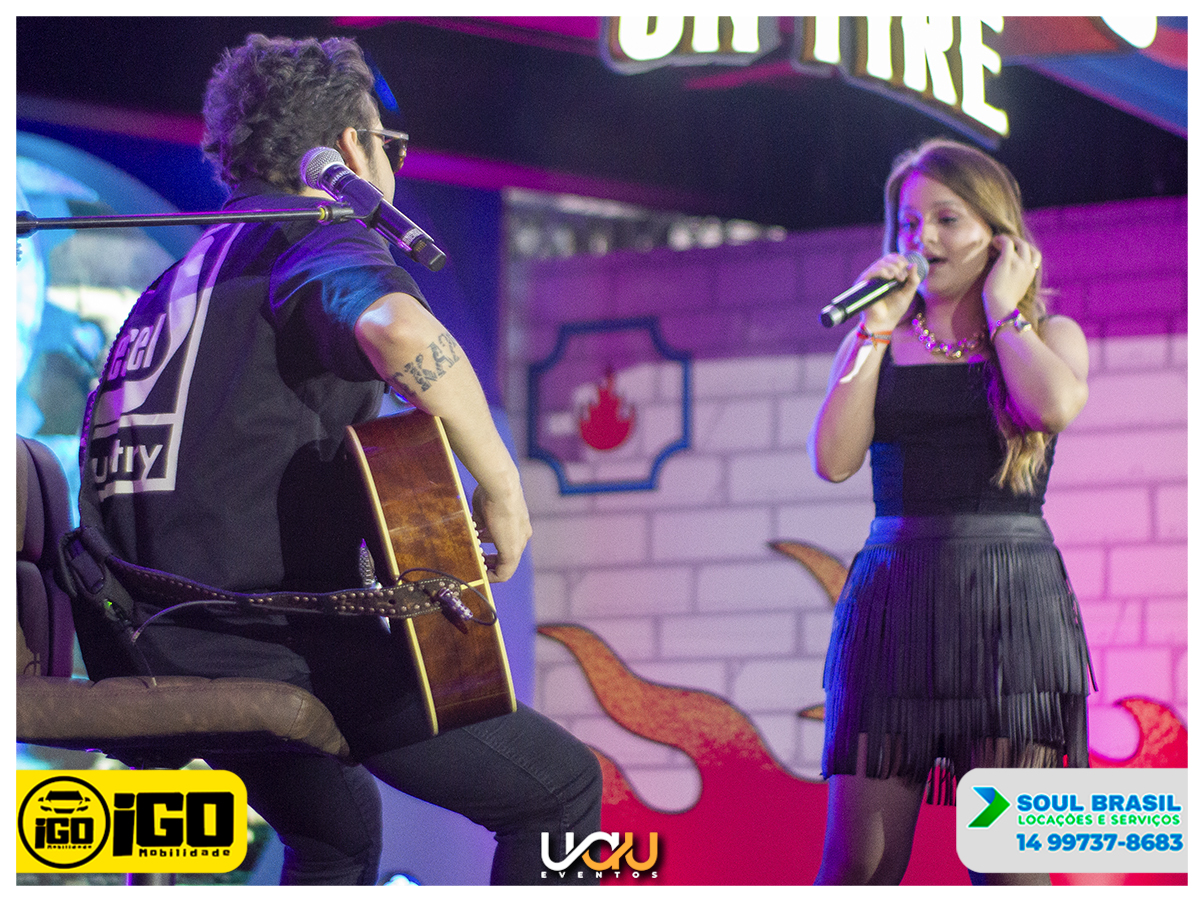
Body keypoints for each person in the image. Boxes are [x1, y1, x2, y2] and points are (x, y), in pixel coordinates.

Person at [76, 34, 601, 885]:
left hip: (153, 637)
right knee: (561, 790)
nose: (393, 162)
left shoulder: (182, 278)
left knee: (338, 827)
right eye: (391, 146)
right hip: (262, 641)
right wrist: (503, 487)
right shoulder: (318, 234)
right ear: (352, 150)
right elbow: (398, 330)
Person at [807, 138, 1094, 886]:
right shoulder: (881, 340)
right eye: (909, 223)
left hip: (1011, 611)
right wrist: (873, 330)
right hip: (894, 605)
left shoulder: (1048, 336)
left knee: (1011, 867)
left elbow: (1053, 406)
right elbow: (833, 459)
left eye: (946, 219)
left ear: (998, 236)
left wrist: (1001, 309)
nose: (923, 239)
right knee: (859, 865)